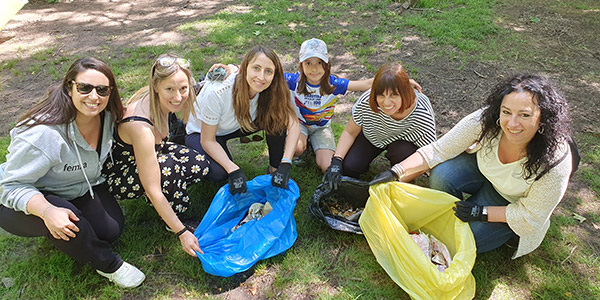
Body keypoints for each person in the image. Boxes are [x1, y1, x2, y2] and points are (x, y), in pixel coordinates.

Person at [370, 74, 576, 258]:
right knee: (442, 174)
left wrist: (480, 212)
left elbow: (531, 218)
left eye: (524, 115)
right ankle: (449, 216)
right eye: (506, 112)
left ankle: (498, 232)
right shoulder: (486, 120)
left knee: (465, 241)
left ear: (543, 118)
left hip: (511, 203)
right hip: (483, 173)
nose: (512, 123)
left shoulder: (555, 162)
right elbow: (439, 150)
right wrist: (395, 172)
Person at [0, 58, 145, 288]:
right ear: (69, 88)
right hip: (22, 196)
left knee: (110, 229)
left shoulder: (108, 116)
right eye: (84, 88)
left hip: (76, 187)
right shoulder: (43, 135)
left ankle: (63, 231)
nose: (94, 97)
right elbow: (11, 186)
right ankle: (110, 265)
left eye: (102, 90)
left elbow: (144, 105)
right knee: (66, 219)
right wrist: (47, 211)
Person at [102, 54, 210, 257]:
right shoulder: (140, 127)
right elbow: (153, 189)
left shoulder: (164, 100)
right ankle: (174, 220)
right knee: (167, 168)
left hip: (150, 153)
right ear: (156, 87)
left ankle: (168, 198)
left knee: (200, 164)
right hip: (120, 174)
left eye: (183, 88)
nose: (178, 97)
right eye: (170, 89)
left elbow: (207, 84)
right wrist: (182, 233)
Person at [185, 45, 300, 194]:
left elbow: (293, 124)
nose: (261, 77)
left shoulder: (274, 88)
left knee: (276, 118)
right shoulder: (218, 93)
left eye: (268, 71)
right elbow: (207, 140)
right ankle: (181, 141)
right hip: (202, 132)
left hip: (235, 124)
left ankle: (274, 169)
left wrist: (286, 163)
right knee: (220, 173)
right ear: (245, 68)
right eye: (256, 68)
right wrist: (233, 170)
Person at [322, 63, 436, 189]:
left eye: (394, 95)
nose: (386, 102)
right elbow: (350, 132)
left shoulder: (421, 114)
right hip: (373, 136)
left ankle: (402, 179)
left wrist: (395, 175)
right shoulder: (367, 101)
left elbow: (429, 156)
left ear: (405, 93)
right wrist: (337, 161)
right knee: (349, 168)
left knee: (402, 153)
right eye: (381, 95)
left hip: (403, 145)